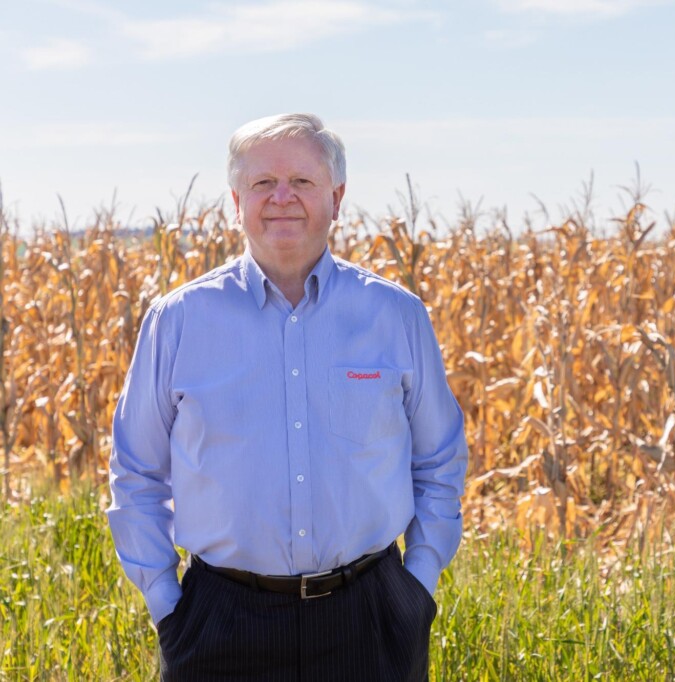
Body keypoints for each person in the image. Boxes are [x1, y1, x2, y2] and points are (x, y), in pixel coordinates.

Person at [107, 113, 468, 681]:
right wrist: (166, 604)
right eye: (262, 183)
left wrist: (416, 587)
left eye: (302, 181)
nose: (282, 198)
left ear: (337, 196)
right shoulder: (178, 321)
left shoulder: (395, 316)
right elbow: (136, 473)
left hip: (370, 619)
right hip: (219, 622)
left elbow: (440, 458)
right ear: (235, 200)